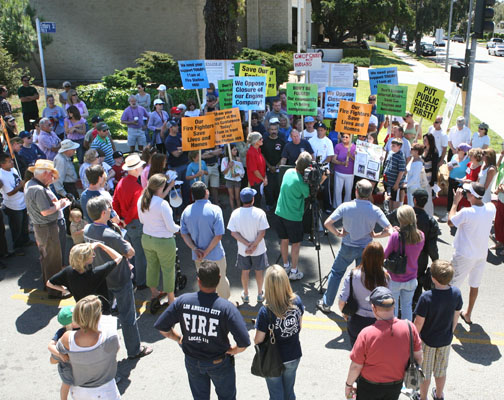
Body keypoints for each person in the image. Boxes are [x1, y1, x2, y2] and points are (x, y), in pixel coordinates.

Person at [154, 260, 251, 400]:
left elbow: (162, 327)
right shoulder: (226, 308)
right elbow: (244, 342)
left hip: (192, 361)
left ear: (198, 280)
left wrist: (178, 338)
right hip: (219, 363)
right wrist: (232, 351)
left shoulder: (182, 301)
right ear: (218, 279)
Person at [85, 196, 153, 359]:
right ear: (103, 213)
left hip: (101, 279)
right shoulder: (110, 235)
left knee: (104, 316)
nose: (111, 210)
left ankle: (104, 349)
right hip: (119, 279)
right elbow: (130, 252)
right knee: (127, 316)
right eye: (109, 208)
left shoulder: (87, 230)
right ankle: (134, 350)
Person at [317, 179, 392, 313]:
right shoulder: (375, 210)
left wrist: (338, 233)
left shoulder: (346, 206)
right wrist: (376, 235)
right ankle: (361, 306)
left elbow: (327, 223)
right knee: (363, 277)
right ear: (370, 194)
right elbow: (389, 230)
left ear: (356, 191)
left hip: (347, 246)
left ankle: (327, 303)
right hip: (365, 249)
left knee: (336, 273)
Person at [344, 286, 423, 400]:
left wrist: (348, 385)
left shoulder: (366, 334)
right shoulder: (410, 327)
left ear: (374, 308)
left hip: (369, 386)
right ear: (394, 305)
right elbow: (419, 357)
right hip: (395, 385)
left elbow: (356, 366)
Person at [54, 295, 121, 399]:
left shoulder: (67, 338)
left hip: (81, 392)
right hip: (107, 391)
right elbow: (115, 351)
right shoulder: (110, 335)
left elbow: (53, 360)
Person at [414, 260, 463, 400]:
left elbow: (418, 323)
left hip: (427, 341)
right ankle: (439, 395)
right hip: (445, 340)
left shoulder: (426, 297)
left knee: (425, 372)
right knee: (441, 371)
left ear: (433, 278)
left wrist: (413, 340)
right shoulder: (456, 293)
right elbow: (456, 315)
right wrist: (450, 332)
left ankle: (423, 397)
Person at [448, 182, 496, 325]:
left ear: (472, 196)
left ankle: (450, 317)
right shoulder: (491, 208)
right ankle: (468, 314)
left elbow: (450, 221)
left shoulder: (466, 212)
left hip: (463, 255)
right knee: (474, 285)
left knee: (452, 286)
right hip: (481, 255)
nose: (465, 194)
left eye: (467, 192)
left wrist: (455, 202)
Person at [254, 265, 304, 399]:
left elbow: (258, 340)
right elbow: (299, 326)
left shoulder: (265, 311)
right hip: (293, 354)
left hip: (273, 359)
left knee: (276, 395)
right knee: (289, 392)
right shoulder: (297, 301)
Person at [24, 159, 71, 298]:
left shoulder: (32, 184)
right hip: (48, 227)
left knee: (47, 259)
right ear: (45, 173)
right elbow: (45, 211)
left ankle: (48, 285)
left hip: (42, 228)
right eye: (52, 175)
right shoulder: (37, 189)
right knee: (53, 260)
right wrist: (60, 204)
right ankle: (55, 290)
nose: (53, 178)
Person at [180, 181, 230, 299]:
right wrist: (206, 251)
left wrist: (195, 249)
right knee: (221, 280)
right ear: (206, 192)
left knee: (204, 282)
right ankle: (224, 306)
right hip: (216, 255)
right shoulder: (215, 210)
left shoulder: (186, 211)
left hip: (198, 256)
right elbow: (218, 235)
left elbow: (184, 234)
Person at [137, 173, 179, 313]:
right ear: (161, 187)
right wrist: (180, 228)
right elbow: (171, 227)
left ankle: (154, 292)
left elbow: (142, 221)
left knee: (152, 266)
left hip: (147, 238)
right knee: (168, 269)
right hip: (164, 241)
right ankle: (171, 299)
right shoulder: (162, 204)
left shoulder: (142, 200)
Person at [275, 152, 320, 281]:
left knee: (284, 240)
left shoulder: (288, 172)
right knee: (296, 243)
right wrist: (321, 179)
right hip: (293, 217)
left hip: (280, 213)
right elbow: (310, 195)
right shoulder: (301, 183)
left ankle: (286, 266)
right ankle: (294, 271)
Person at [338, 241, 390, 346]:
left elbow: (342, 301)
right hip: (377, 322)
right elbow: (389, 303)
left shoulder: (353, 274)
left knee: (357, 354)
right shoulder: (385, 278)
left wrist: (345, 314)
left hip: (356, 320)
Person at [47, 242, 122, 310]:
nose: (93, 256)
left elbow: (49, 283)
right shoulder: (96, 272)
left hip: (82, 308)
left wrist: (66, 290)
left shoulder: (68, 271)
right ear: (86, 259)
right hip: (99, 309)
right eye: (92, 254)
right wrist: (100, 245)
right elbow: (119, 257)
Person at [228, 188, 269, 303]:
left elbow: (233, 233)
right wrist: (254, 245)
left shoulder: (235, 213)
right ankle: (260, 294)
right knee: (259, 271)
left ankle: (246, 294)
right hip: (259, 249)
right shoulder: (260, 213)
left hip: (243, 250)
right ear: (253, 199)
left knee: (245, 271)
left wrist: (247, 244)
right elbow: (262, 232)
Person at [112, 154, 148, 289]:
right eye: (140, 166)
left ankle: (131, 277)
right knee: (139, 254)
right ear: (136, 169)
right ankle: (141, 281)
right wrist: (125, 220)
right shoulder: (137, 188)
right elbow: (134, 209)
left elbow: (114, 201)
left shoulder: (121, 182)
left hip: (124, 222)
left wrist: (120, 220)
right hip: (134, 223)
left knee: (129, 252)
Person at [384, 205, 425, 321]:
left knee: (394, 307)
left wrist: (392, 234)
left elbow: (384, 255)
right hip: (411, 278)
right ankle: (407, 331)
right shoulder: (421, 236)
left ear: (400, 219)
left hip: (395, 279)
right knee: (407, 306)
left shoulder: (395, 236)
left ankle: (395, 333)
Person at [0, 153, 30, 256]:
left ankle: (26, 240)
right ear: (2, 164)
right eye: (9, 161)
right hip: (12, 205)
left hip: (22, 201)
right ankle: (17, 247)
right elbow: (9, 193)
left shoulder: (13, 169)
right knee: (16, 228)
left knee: (24, 224)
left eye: (12, 160)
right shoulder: (2, 175)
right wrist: (20, 185)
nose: (12, 162)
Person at [47, 306, 78, 400]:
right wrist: (60, 354)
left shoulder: (81, 328)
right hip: (66, 365)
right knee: (66, 383)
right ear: (72, 323)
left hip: (77, 363)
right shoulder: (62, 332)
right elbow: (50, 346)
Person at [439, 143, 471, 223]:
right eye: (457, 149)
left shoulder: (468, 160)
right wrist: (449, 168)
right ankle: (449, 213)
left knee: (458, 198)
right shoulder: (454, 157)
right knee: (450, 196)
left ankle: (457, 215)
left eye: (459, 149)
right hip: (452, 179)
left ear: (464, 151)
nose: (457, 150)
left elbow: (468, 172)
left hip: (461, 182)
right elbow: (449, 168)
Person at [309, 122, 335, 212]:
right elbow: (309, 153)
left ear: (325, 131)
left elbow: (330, 157)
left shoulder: (328, 142)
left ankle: (327, 207)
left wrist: (321, 165)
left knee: (325, 189)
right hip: (313, 167)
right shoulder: (311, 140)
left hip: (324, 169)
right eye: (318, 130)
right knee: (312, 187)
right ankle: (310, 205)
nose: (319, 132)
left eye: (321, 130)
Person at [262, 119, 285, 211]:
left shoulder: (282, 141)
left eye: (275, 129)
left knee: (278, 187)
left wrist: (276, 166)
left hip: (278, 169)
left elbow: (284, 155)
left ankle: (278, 205)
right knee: (268, 188)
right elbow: (262, 154)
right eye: (271, 129)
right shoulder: (265, 141)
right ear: (268, 130)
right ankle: (269, 204)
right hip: (267, 169)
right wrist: (269, 166)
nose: (273, 131)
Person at [332, 131, 356, 208]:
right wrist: (342, 163)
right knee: (337, 191)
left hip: (350, 173)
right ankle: (337, 207)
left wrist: (351, 156)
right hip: (339, 172)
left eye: (346, 137)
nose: (344, 138)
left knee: (348, 192)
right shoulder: (338, 146)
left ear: (350, 138)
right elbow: (333, 160)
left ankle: (347, 208)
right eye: (343, 137)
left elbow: (358, 161)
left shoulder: (354, 147)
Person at [383, 138, 406, 211]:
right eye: (391, 145)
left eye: (394, 146)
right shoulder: (390, 153)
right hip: (388, 182)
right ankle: (389, 213)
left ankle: (394, 216)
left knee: (395, 202)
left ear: (399, 147)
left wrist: (397, 183)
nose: (391, 147)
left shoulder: (401, 156)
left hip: (394, 183)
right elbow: (387, 165)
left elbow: (401, 171)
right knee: (389, 199)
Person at [246, 132, 267, 206]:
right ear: (255, 141)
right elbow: (254, 170)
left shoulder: (258, 150)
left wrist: (265, 177)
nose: (262, 140)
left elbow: (263, 166)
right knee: (256, 202)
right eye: (260, 139)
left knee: (260, 200)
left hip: (260, 180)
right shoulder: (251, 153)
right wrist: (263, 179)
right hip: (255, 182)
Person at [221, 144, 244, 210]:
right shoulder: (224, 160)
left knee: (237, 197)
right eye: (234, 150)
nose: (236, 151)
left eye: (236, 150)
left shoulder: (238, 159)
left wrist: (236, 175)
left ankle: (239, 210)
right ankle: (232, 210)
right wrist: (229, 166)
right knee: (231, 196)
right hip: (229, 180)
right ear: (229, 151)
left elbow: (242, 171)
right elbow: (223, 172)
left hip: (237, 180)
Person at [421, 133, 439, 216]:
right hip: (421, 177)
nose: (424, 141)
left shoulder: (434, 152)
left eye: (426, 140)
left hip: (428, 179)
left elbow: (435, 167)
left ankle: (429, 215)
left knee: (428, 198)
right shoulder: (423, 149)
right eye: (423, 140)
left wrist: (433, 180)